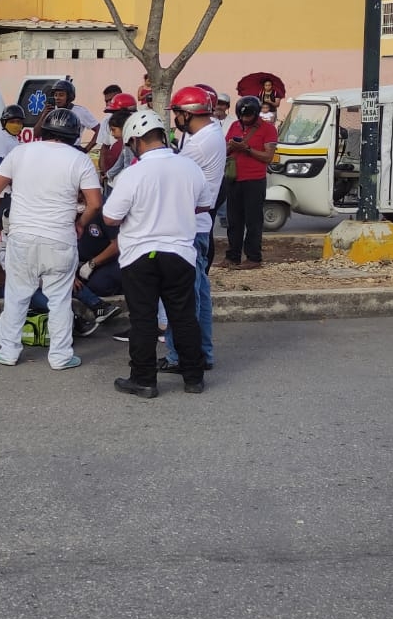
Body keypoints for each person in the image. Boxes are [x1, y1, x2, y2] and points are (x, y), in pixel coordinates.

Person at [0, 107, 101, 370]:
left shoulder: (20, 151)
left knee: (16, 296)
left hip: (22, 237)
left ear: (45, 129)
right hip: (60, 238)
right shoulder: (79, 159)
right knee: (59, 299)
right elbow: (94, 202)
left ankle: (8, 352)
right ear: (73, 135)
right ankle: (60, 357)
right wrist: (80, 223)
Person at [105, 110, 212, 398]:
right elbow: (203, 205)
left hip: (140, 256)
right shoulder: (189, 168)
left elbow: (111, 218)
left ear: (136, 141)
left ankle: (144, 380)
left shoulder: (133, 174)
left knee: (143, 319)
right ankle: (193, 378)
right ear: (162, 137)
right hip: (179, 253)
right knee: (184, 317)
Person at [160, 86, 226, 373]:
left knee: (185, 298)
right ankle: (203, 353)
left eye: (177, 112)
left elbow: (176, 178)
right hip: (200, 224)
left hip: (189, 226)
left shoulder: (199, 144)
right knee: (200, 296)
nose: (174, 117)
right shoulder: (210, 133)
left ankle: (183, 357)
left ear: (188, 114)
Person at [223, 95, 278, 269]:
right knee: (233, 221)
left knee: (253, 221)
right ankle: (233, 256)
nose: (245, 120)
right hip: (234, 179)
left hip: (254, 180)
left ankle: (254, 257)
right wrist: (232, 147)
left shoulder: (268, 129)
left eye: (249, 117)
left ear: (255, 114)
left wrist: (247, 149)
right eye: (243, 117)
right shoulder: (233, 126)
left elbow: (268, 157)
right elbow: (223, 151)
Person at [42, 79, 100, 150]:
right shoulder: (51, 110)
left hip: (72, 149)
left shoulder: (80, 111)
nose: (57, 98)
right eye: (55, 95)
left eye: (61, 95)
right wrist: (44, 115)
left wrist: (86, 149)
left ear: (69, 96)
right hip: (53, 149)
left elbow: (99, 130)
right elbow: (36, 133)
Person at [99, 93, 139, 190]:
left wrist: (124, 182)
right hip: (116, 182)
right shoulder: (126, 142)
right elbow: (121, 160)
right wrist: (108, 174)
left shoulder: (133, 142)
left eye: (113, 130)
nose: (112, 134)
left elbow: (130, 166)